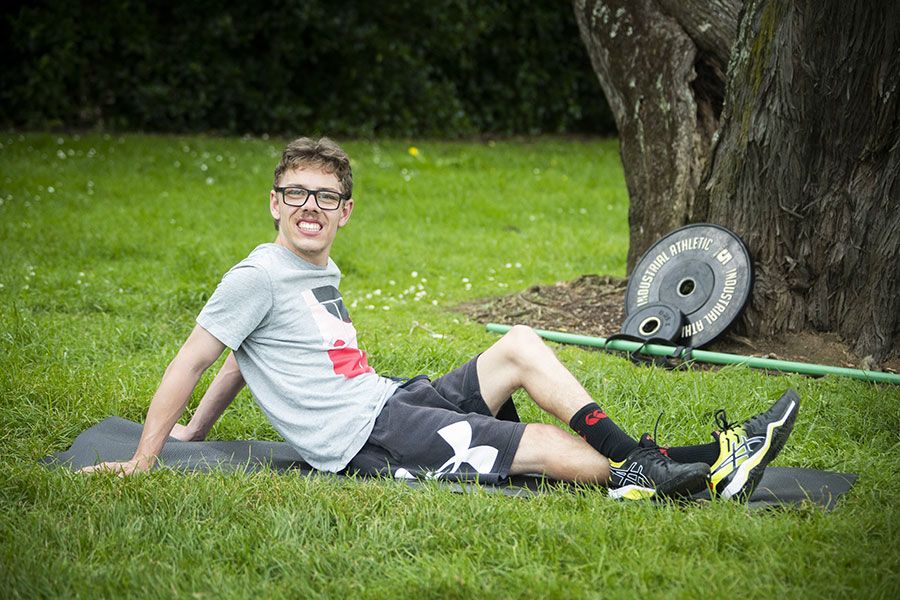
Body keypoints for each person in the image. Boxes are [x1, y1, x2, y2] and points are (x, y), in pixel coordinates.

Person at [82, 137, 800, 501]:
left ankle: (652, 460)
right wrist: (151, 456)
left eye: (325, 198)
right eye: (296, 194)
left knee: (519, 341)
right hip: (369, 439)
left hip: (391, 400)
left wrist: (198, 433)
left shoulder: (314, 270)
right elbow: (197, 358)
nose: (310, 208)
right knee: (543, 444)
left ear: (346, 211)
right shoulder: (257, 274)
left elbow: (247, 359)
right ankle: (702, 470)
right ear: (273, 202)